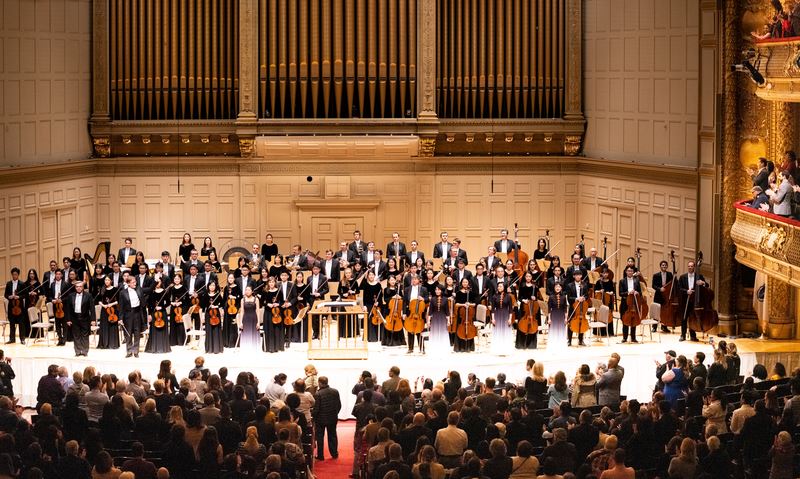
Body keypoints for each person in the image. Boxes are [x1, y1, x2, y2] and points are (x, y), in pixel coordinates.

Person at [313, 376, 341, 460]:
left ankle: (320, 455)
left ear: (320, 383)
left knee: (320, 437)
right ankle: (334, 453)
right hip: (333, 417)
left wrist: (314, 417)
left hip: (320, 419)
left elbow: (316, 409)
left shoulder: (318, 394)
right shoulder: (335, 391)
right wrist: (335, 413)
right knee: (332, 436)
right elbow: (339, 405)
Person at [65, 281, 95, 357]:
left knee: (85, 335)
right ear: (75, 287)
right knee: (76, 335)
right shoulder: (71, 296)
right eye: (77, 286)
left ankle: (85, 351)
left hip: (85, 318)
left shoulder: (88, 295)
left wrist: (93, 319)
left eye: (80, 286)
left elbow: (92, 308)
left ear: (83, 287)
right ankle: (77, 351)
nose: (78, 288)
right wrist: (68, 319)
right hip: (74, 318)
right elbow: (68, 309)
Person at [119, 276, 146, 358]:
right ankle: (129, 351)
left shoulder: (139, 289)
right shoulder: (123, 293)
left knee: (137, 333)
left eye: (135, 282)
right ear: (128, 283)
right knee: (128, 333)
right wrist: (120, 318)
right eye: (133, 282)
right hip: (128, 314)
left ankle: (136, 351)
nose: (135, 283)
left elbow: (143, 302)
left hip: (137, 313)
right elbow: (121, 307)